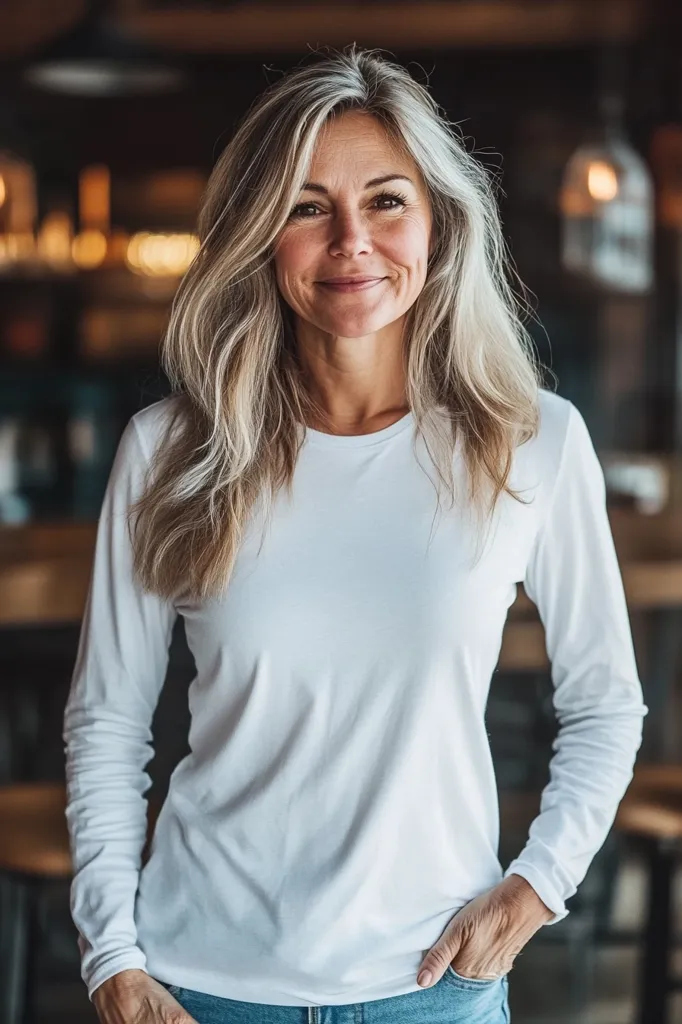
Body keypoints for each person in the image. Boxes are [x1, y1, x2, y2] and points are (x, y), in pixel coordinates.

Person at [62, 44, 648, 1024]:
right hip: (200, 985)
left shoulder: (533, 442)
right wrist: (113, 959)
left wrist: (538, 885)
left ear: (436, 221)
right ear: (259, 233)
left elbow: (605, 704)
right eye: (305, 206)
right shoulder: (168, 449)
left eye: (385, 200)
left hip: (432, 985)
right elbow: (107, 725)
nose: (351, 242)